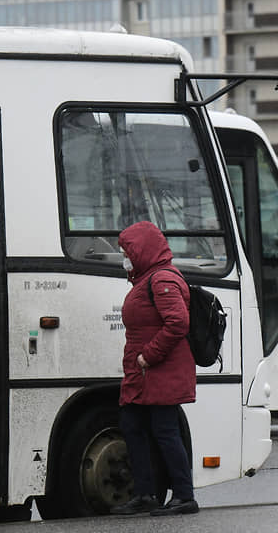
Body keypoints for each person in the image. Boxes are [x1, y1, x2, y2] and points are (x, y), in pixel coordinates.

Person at [110, 220, 199, 516]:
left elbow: (178, 323)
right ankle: (146, 493)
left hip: (160, 369)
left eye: (127, 251)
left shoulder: (162, 279)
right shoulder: (146, 278)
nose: (124, 257)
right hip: (143, 373)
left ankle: (184, 496)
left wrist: (149, 356)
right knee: (132, 426)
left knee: (165, 430)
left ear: (142, 250)